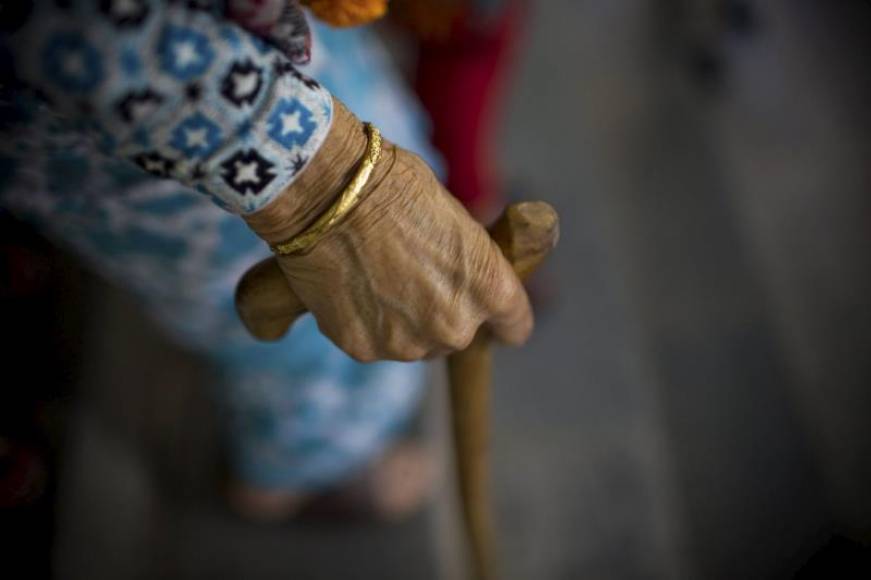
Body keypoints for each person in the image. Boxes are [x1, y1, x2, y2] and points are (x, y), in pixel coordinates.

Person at [0, 0, 531, 519]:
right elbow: (78, 32)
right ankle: (295, 473)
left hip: (281, 52)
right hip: (171, 135)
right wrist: (329, 182)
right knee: (313, 339)